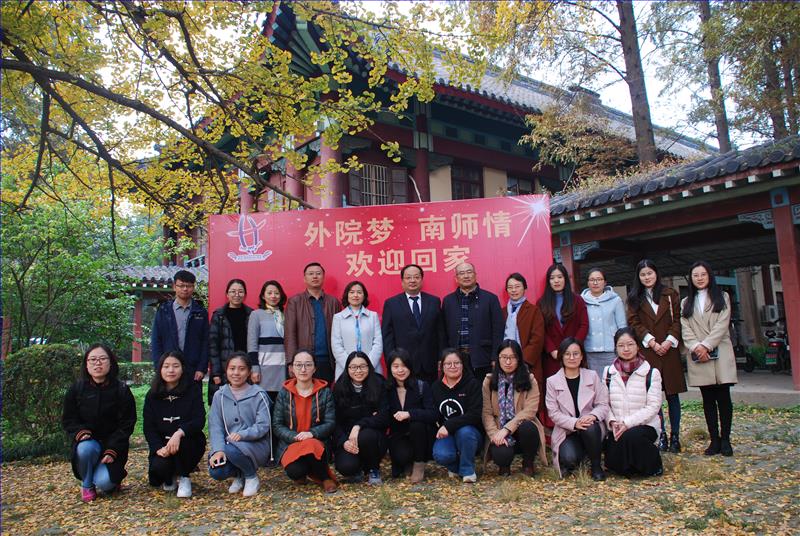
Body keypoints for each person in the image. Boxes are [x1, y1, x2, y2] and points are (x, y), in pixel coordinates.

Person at [62, 344, 136, 502]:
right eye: (93, 359)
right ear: (86, 364)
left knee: (105, 484)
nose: (98, 363)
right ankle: (87, 484)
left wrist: (112, 449)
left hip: (113, 445)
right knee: (86, 448)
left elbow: (127, 424)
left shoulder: (121, 390)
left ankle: (107, 477)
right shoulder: (77, 389)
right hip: (89, 444)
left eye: (103, 359)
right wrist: (80, 432)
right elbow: (69, 419)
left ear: (111, 362)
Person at [626, 259, 687, 453]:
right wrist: (651, 341)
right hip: (649, 351)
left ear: (656, 273)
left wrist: (669, 341)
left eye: (649, 273)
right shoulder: (634, 298)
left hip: (669, 351)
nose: (647, 277)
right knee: (654, 396)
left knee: (672, 395)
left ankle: (675, 435)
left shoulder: (670, 294)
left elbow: (678, 320)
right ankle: (661, 435)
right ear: (638, 277)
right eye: (643, 274)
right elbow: (634, 322)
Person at [680, 261, 737, 456]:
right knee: (708, 399)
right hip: (698, 354)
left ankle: (726, 439)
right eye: (695, 275)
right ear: (691, 278)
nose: (699, 278)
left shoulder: (723, 297)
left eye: (703, 274)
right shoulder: (686, 302)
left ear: (709, 276)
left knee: (724, 397)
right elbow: (685, 328)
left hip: (719, 350)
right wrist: (697, 347)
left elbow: (722, 324)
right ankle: (714, 439)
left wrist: (706, 345)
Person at [273, 350, 338, 493]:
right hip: (292, 443)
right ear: (292, 368)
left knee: (311, 446)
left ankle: (325, 478)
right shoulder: (284, 393)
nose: (303, 369)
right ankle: (305, 472)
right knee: (295, 471)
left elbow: (330, 422)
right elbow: (277, 425)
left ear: (314, 368)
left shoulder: (325, 392)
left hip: (316, 441)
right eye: (298, 365)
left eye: (308, 365)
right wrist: (294, 436)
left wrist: (311, 433)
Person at [143, 351, 206, 498]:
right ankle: (169, 476)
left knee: (186, 445)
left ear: (183, 368)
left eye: (175, 366)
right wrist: (158, 448)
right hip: (162, 443)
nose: (171, 370)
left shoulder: (192, 390)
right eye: (166, 366)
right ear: (160, 369)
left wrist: (179, 433)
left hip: (187, 441)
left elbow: (199, 420)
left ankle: (184, 477)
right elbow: (149, 427)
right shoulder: (152, 395)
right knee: (157, 471)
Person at [207, 353, 271, 497]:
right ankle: (239, 474)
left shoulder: (258, 394)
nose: (236, 373)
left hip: (255, 444)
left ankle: (251, 476)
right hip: (229, 445)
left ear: (249, 372)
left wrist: (243, 434)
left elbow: (263, 425)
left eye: (241, 369)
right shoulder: (219, 395)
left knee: (231, 450)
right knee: (217, 471)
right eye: (232, 368)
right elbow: (215, 426)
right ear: (226, 370)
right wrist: (218, 450)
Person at [603, 327, 664, 477]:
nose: (626, 349)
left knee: (632, 436)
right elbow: (604, 403)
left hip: (645, 426)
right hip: (617, 427)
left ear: (637, 346)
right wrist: (612, 422)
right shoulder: (608, 373)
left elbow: (653, 406)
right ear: (615, 348)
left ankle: (653, 465)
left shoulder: (651, 373)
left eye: (630, 344)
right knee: (613, 460)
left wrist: (627, 423)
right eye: (621, 345)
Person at [545, 338, 609, 481]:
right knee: (570, 459)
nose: (572, 358)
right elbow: (553, 413)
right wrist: (574, 423)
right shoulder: (552, 381)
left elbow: (603, 404)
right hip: (567, 431)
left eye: (576, 354)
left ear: (581, 356)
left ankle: (596, 466)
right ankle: (584, 454)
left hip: (590, 427)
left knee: (589, 427)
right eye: (567, 354)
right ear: (561, 356)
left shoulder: (592, 376)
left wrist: (593, 416)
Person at [481, 340, 547, 477]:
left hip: (521, 427)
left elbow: (530, 411)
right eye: (504, 357)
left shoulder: (529, 379)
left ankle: (528, 463)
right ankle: (504, 466)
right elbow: (486, 412)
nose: (508, 362)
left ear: (519, 359)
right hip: (499, 427)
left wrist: (507, 429)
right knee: (501, 456)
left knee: (528, 427)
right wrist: (494, 434)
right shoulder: (489, 381)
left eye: (512, 357)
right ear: (498, 359)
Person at [537, 263, 589, 427]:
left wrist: (574, 347)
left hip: (574, 355)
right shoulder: (542, 303)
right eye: (552, 278)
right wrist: (552, 350)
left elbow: (584, 325)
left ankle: (579, 422)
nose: (556, 281)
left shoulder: (577, 300)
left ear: (565, 279)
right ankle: (554, 426)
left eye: (559, 277)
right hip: (552, 357)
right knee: (555, 391)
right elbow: (541, 330)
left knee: (576, 389)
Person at [380, 349, 438, 482]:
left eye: (404, 365)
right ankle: (407, 462)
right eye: (396, 366)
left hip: (422, 435)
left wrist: (410, 414)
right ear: (390, 368)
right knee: (401, 460)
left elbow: (433, 414)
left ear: (410, 367)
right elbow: (385, 415)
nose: (400, 370)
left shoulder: (421, 386)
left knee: (416, 424)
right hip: (399, 435)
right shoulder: (387, 389)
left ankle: (419, 463)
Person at [382, 264, 445, 382]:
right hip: (403, 364)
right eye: (408, 277)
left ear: (421, 280)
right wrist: (392, 361)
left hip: (429, 363)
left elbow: (440, 332)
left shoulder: (434, 301)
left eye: (416, 277)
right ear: (402, 281)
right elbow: (387, 336)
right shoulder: (391, 303)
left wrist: (442, 357)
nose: (412, 280)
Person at [332, 351, 388, 485]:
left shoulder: (379, 383)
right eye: (353, 367)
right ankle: (358, 468)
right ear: (347, 368)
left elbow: (384, 416)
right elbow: (335, 420)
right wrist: (344, 441)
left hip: (373, 438)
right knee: (346, 467)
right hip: (348, 437)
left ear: (369, 367)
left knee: (366, 436)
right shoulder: (340, 386)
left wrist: (359, 426)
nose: (358, 371)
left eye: (363, 366)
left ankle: (373, 469)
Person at [442, 262, 504, 380]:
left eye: (469, 272)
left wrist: (495, 357)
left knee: (483, 390)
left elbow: (498, 330)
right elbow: (443, 332)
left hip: (483, 358)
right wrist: (444, 357)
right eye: (462, 273)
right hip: (456, 360)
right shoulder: (448, 301)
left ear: (475, 275)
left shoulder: (490, 299)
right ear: (456, 278)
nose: (466, 276)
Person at [431, 349, 483, 483]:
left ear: (462, 364)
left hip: (470, 433)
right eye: (448, 364)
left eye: (457, 363)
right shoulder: (436, 387)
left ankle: (468, 470)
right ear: (442, 366)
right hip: (446, 434)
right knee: (441, 455)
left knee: (465, 432)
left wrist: (448, 425)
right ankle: (456, 466)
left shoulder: (472, 384)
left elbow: (474, 415)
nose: (453, 366)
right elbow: (434, 413)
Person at [285, 262, 342, 383]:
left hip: (328, 360)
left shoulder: (334, 302)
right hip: (303, 362)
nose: (315, 276)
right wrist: (291, 361)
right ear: (304, 278)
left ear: (323, 277)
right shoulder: (295, 301)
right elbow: (290, 333)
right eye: (311, 274)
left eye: (318, 273)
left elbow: (340, 333)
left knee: (325, 392)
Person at [151, 270, 209, 383]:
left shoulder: (200, 312)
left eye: (189, 286)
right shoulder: (164, 311)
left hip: (193, 369)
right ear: (174, 287)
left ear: (193, 288)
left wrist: (201, 368)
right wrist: (159, 366)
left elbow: (205, 342)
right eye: (181, 285)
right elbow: (156, 340)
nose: (185, 289)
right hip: (169, 369)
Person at [503, 273, 546, 414]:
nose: (513, 290)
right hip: (506, 364)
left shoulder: (533, 310)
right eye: (510, 287)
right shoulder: (503, 312)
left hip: (527, 364)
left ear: (524, 288)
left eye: (517, 286)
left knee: (529, 402)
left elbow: (537, 339)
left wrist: (522, 361)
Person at [209, 278, 253, 404]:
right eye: (233, 291)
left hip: (245, 366)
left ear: (245, 294)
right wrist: (216, 373)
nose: (236, 295)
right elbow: (212, 346)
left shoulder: (251, 314)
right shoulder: (219, 315)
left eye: (240, 291)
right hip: (225, 368)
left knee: (245, 403)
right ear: (227, 294)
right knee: (224, 404)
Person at [332, 281, 383, 380]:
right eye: (352, 292)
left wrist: (367, 365)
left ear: (364, 296)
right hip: (345, 368)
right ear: (347, 295)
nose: (355, 295)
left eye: (359, 292)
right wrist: (351, 366)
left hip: (371, 367)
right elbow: (336, 345)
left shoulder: (373, 316)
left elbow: (378, 343)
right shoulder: (338, 318)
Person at [580, 267, 627, 377]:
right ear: (587, 283)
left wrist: (621, 346)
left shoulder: (615, 300)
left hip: (611, 349)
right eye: (592, 280)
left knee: (613, 380)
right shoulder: (581, 301)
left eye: (599, 279)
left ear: (605, 282)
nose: (595, 283)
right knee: (593, 382)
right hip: (589, 350)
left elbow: (622, 326)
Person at [247, 280, 287, 400]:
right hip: (264, 369)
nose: (273, 296)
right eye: (269, 293)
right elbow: (252, 344)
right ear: (263, 296)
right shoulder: (256, 314)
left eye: (276, 293)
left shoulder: (286, 315)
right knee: (264, 403)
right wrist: (254, 369)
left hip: (283, 368)